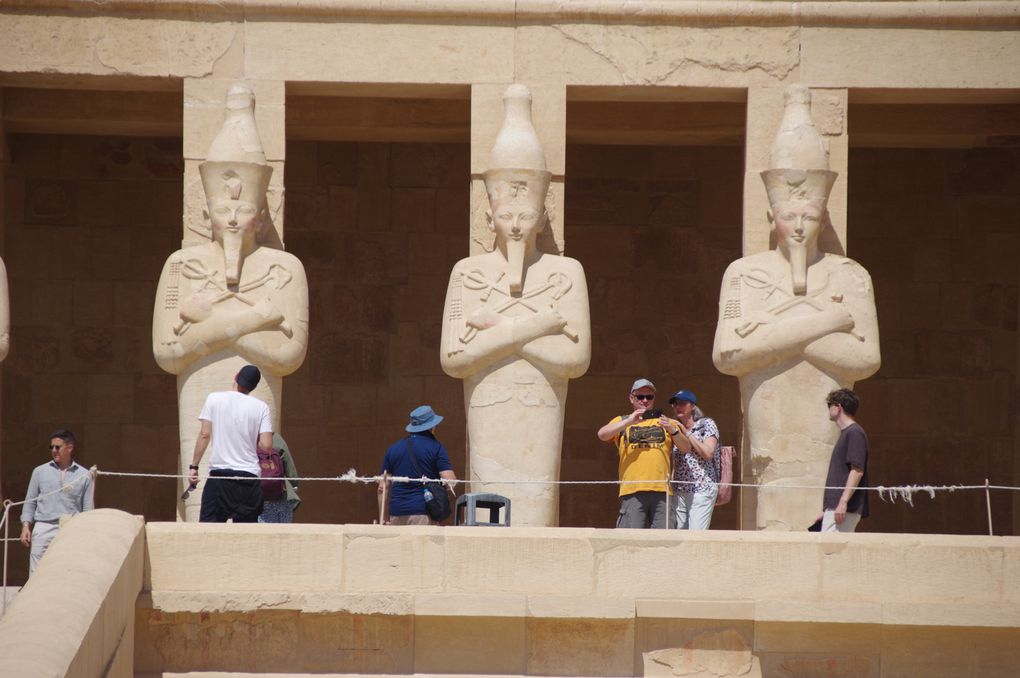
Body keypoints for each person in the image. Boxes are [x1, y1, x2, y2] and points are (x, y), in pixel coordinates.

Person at [712, 84, 880, 530]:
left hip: (827, 424)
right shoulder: (743, 273)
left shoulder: (851, 274)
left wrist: (778, 332)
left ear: (824, 217)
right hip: (770, 419)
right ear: (772, 217)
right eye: (790, 216)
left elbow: (864, 358)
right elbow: (730, 355)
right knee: (772, 511)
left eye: (809, 216)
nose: (800, 227)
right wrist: (825, 322)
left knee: (826, 516)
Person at [153, 83, 308, 521]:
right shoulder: (181, 266)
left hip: (256, 401)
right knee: (200, 506)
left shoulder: (285, 268)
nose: (235, 218)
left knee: (247, 513)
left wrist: (215, 327)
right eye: (224, 209)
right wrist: (249, 321)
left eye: (245, 210)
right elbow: (168, 352)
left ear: (261, 212)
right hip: (198, 389)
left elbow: (289, 355)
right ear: (206, 214)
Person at [440, 85, 590, 527]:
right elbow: (454, 359)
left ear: (543, 217)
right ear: (489, 218)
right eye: (507, 216)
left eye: (527, 216)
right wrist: (535, 326)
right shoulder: (467, 272)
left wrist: (498, 329)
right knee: (487, 502)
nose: (517, 227)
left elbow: (576, 360)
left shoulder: (567, 273)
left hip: (541, 401)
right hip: (488, 400)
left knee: (536, 509)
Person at [188, 364, 273, 523]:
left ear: (236, 376)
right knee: (247, 537)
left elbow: (205, 434)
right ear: (253, 387)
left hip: (220, 478)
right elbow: (266, 445)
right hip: (249, 479)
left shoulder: (214, 398)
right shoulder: (262, 407)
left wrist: (194, 467)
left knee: (208, 532)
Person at [597, 379, 681, 529]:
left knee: (665, 540)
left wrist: (672, 429)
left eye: (649, 397)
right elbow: (602, 434)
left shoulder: (666, 422)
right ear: (631, 398)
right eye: (640, 397)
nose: (644, 401)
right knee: (630, 539)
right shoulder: (622, 420)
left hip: (662, 489)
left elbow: (685, 447)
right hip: (632, 489)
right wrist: (629, 421)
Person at [20, 430, 94, 574]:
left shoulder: (85, 475)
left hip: (71, 528)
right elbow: (30, 502)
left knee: (67, 571)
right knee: (37, 573)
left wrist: (86, 534)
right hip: (43, 527)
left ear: (69, 448)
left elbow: (88, 509)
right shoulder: (39, 472)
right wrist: (25, 526)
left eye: (57, 447)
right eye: (51, 447)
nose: (53, 450)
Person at [378, 406, 457, 526]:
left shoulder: (393, 449)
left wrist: (383, 518)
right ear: (432, 427)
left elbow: (382, 488)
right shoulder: (436, 447)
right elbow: (450, 480)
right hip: (423, 513)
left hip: (396, 513)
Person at [666, 390, 721, 530]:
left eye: (683, 403)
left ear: (693, 406)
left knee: (696, 534)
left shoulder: (706, 424)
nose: (678, 407)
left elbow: (708, 453)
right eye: (675, 404)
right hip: (680, 490)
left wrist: (686, 432)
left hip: (702, 488)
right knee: (679, 534)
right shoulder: (674, 428)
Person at [820, 388, 869, 532]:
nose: (828, 409)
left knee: (832, 552)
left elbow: (857, 471)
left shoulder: (854, 433)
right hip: (836, 507)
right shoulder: (847, 433)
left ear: (838, 406)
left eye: (829, 405)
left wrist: (843, 502)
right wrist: (827, 509)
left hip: (844, 508)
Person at [258, 432, 300, 523]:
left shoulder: (246, 439)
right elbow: (291, 472)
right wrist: (294, 485)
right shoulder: (276, 438)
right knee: (283, 535)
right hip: (282, 496)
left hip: (257, 498)